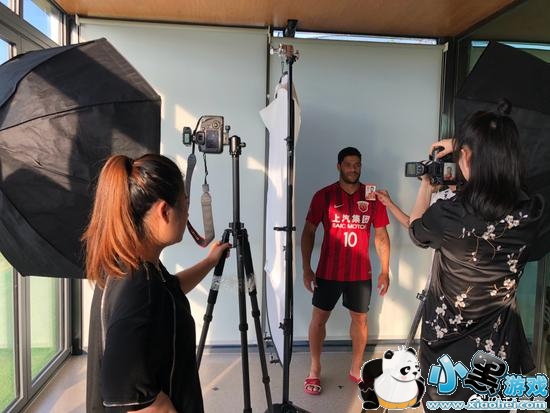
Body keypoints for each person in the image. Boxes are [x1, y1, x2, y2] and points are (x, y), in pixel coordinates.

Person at [408, 102, 548, 411]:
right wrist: (467, 145)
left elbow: (416, 231)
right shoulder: (531, 213)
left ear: (468, 157)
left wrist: (426, 187)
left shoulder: (447, 214)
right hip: (499, 343)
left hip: (446, 346)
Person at [84, 154, 231, 413]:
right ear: (164, 211)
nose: (187, 214)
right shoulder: (139, 286)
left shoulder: (130, 264)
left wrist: (210, 261)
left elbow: (170, 290)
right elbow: (125, 390)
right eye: (185, 204)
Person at [301, 146, 390, 396]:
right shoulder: (324, 196)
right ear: (339, 166)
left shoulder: (372, 196)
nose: (353, 169)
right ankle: (314, 369)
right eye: (348, 164)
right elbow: (308, 232)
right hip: (328, 272)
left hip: (360, 273)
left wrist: (385, 270)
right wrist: (306, 268)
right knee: (319, 319)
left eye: (357, 164)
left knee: (360, 320)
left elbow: (381, 236)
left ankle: (356, 368)